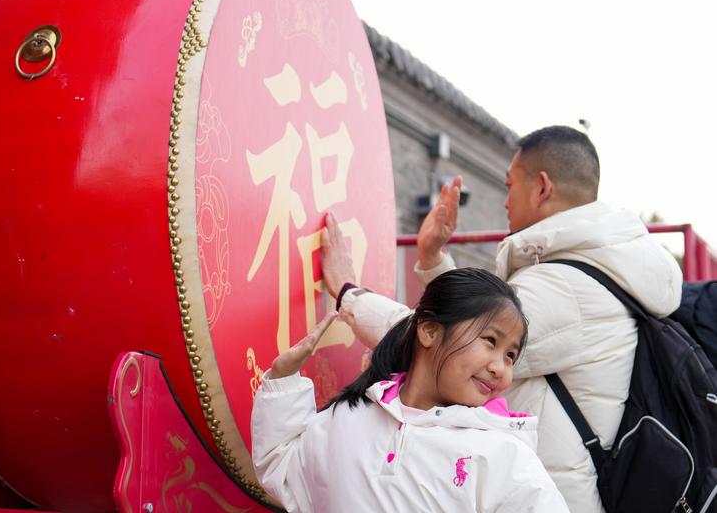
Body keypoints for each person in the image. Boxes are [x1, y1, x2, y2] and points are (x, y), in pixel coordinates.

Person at [320, 125, 684, 512]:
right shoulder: (597, 265)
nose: (505, 200)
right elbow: (468, 329)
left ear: (541, 187)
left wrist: (347, 293)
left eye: (509, 184)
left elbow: (451, 336)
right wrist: (433, 260)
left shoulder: (567, 285)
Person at [251, 268, 569, 512]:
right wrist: (284, 377)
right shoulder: (348, 418)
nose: (500, 367)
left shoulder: (503, 454)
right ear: (429, 330)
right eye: (490, 341)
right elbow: (284, 470)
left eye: (510, 355)